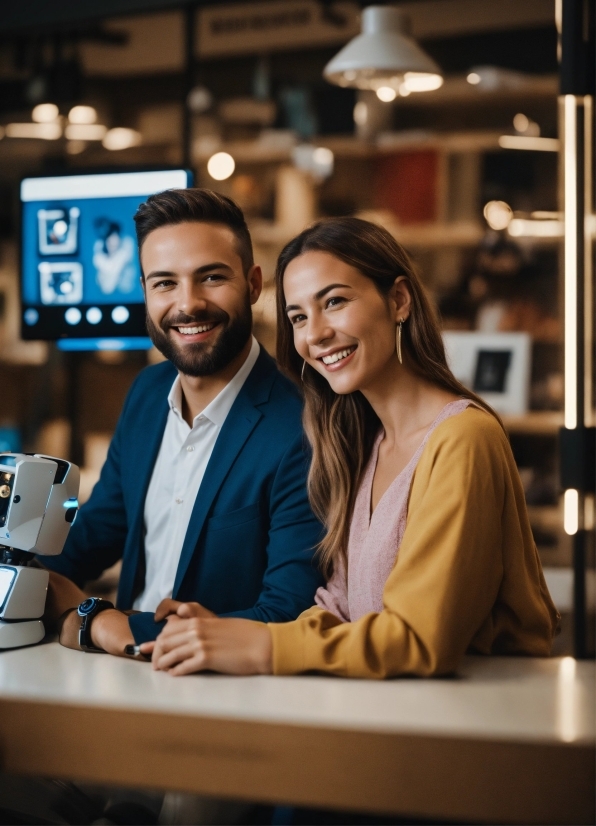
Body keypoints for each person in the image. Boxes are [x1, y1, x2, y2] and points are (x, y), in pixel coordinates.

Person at [145, 216, 559, 678]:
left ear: (398, 300)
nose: (315, 334)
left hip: (485, 728)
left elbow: (419, 640)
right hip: (394, 717)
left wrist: (265, 646)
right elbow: (339, 607)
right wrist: (229, 629)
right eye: (298, 317)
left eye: (335, 302)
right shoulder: (365, 444)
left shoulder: (463, 439)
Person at [43, 188, 323, 656]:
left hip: (222, 695)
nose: (187, 304)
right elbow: (96, 532)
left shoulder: (302, 424)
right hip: (118, 680)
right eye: (165, 283)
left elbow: (285, 615)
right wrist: (19, 568)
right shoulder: (148, 394)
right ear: (146, 292)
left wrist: (106, 625)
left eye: (211, 277)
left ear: (254, 285)